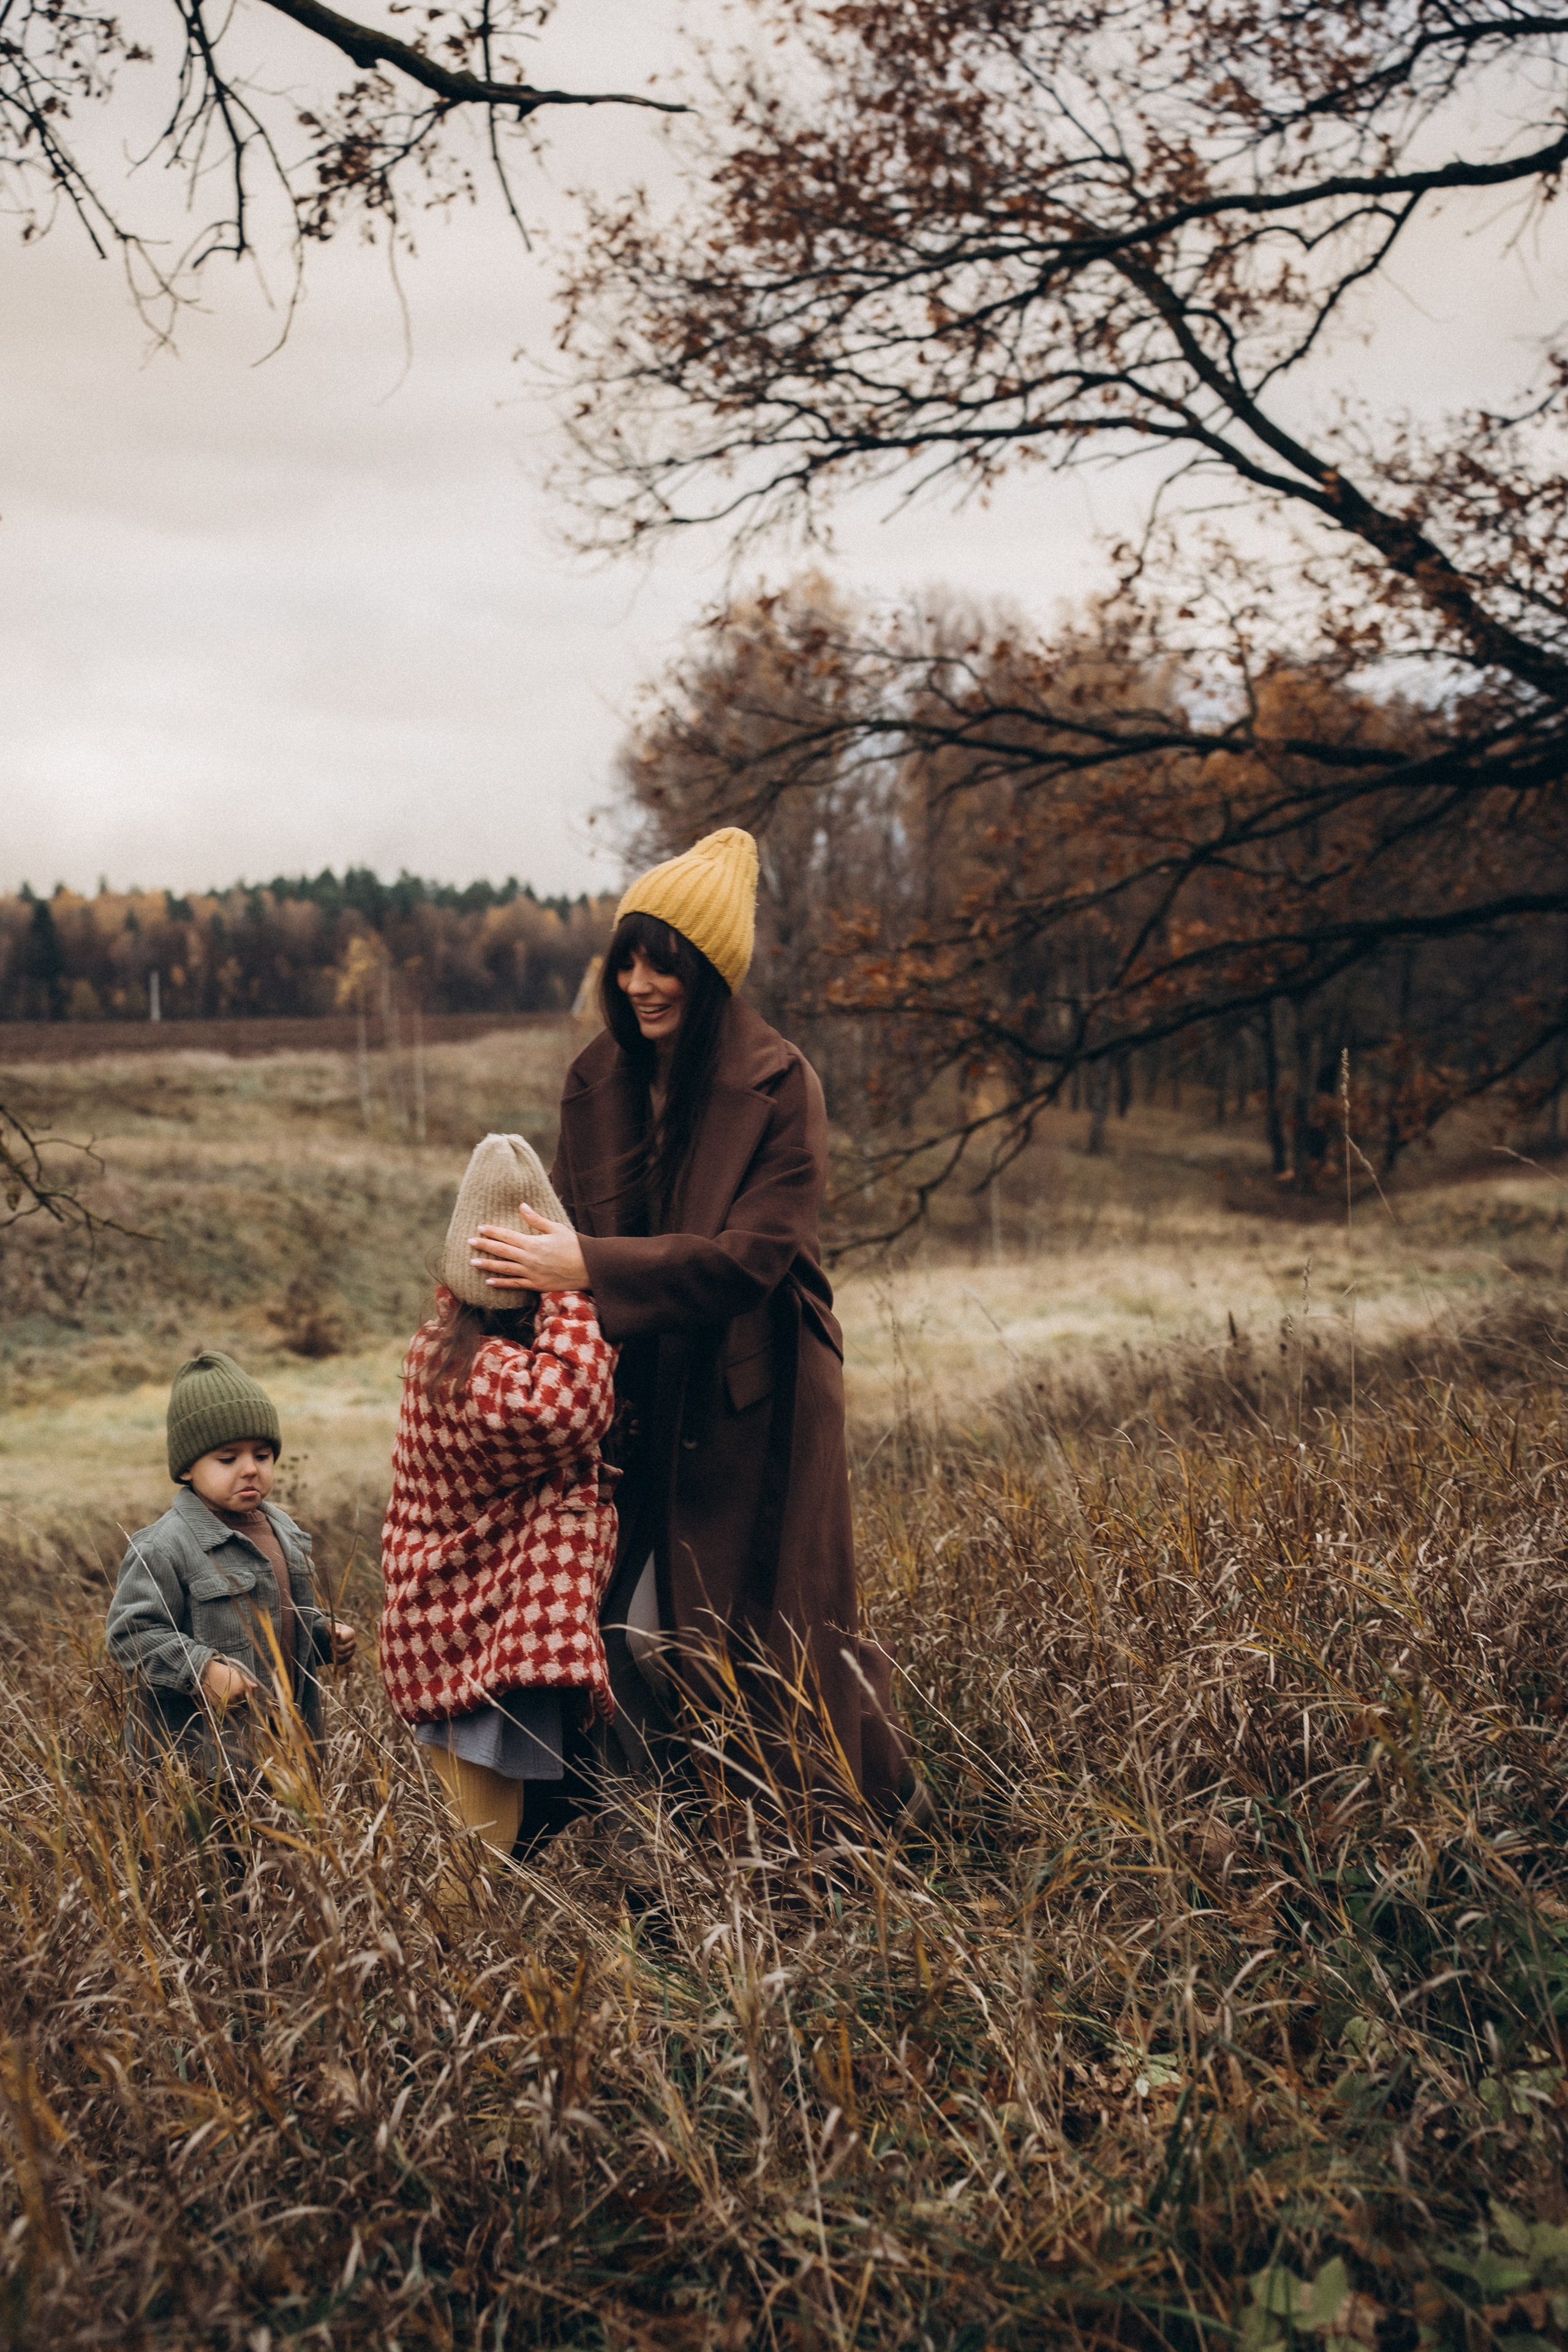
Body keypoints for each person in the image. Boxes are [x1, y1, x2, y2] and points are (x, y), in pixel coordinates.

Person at [469, 826, 925, 1829]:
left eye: (664, 964)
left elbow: (752, 1258)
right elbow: (556, 1232)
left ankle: (854, 1821)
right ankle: (667, 1847)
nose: (639, 984)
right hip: (633, 1394)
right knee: (611, 1632)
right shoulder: (596, 1078)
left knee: (756, 1635)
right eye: (627, 961)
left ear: (712, 972)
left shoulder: (783, 1085)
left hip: (756, 1398)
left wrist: (587, 1266)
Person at [379, 1133, 619, 1866]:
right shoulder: (477, 1374)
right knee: (479, 1852)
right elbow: (568, 1406)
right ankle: (460, 1940)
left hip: (472, 1630)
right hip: (470, 1639)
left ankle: (481, 1933)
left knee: (497, 1836)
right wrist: (571, 1290)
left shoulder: (445, 1348)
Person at [106, 1352, 355, 1774]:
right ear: (187, 1468)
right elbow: (130, 1637)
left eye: (263, 1455)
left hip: (289, 1752)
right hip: (202, 1766)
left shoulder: (285, 1531)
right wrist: (201, 1671)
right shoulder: (164, 1547)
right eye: (228, 1459)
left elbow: (280, 1624)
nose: (250, 1470)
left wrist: (320, 1636)